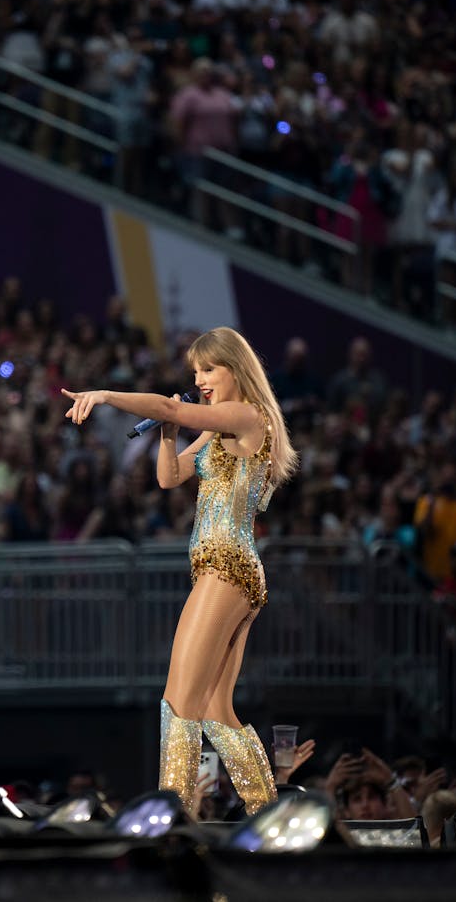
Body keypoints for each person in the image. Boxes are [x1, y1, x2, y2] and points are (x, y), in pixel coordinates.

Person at [62, 326, 298, 815]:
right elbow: (170, 477)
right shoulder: (219, 428)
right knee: (215, 711)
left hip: (225, 566)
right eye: (195, 370)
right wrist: (169, 435)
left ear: (237, 368)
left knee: (178, 703)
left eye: (209, 368)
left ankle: (175, 820)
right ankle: (265, 812)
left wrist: (105, 395)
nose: (200, 378)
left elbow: (171, 407)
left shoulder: (245, 415)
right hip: (230, 571)